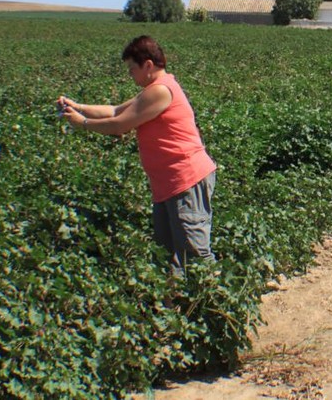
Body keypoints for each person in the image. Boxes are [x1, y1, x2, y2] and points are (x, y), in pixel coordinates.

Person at [57, 35, 217, 276]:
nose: (130, 75)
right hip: (168, 184)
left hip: (186, 180)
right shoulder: (152, 90)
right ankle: (176, 307)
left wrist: (83, 123)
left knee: (194, 253)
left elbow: (119, 124)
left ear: (148, 65)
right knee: (166, 253)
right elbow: (114, 110)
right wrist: (77, 107)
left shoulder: (161, 91)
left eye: (132, 69)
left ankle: (216, 307)